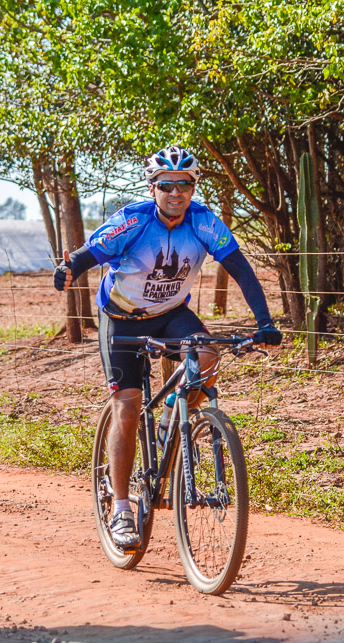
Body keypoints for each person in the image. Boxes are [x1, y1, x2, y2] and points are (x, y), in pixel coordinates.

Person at [54, 145, 281, 549]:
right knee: (126, 403)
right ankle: (121, 507)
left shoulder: (204, 222)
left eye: (185, 185)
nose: (176, 192)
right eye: (167, 185)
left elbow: (241, 270)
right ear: (153, 186)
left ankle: (169, 424)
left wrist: (265, 321)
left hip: (172, 313)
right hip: (121, 317)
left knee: (208, 355)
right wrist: (69, 268)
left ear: (194, 187)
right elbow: (90, 254)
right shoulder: (133, 221)